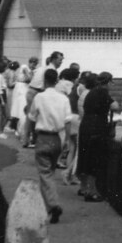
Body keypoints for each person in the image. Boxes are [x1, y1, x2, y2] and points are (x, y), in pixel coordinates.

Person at [26, 68, 75, 224]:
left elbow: (31, 118)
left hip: (42, 137)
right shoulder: (64, 99)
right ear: (56, 81)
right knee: (50, 173)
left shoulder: (39, 97)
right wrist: (66, 140)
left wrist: (27, 137)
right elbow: (68, 121)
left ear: (45, 81)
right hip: (57, 139)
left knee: (45, 174)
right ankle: (50, 207)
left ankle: (53, 206)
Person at [76, 72, 120, 202]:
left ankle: (83, 187)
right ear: (108, 82)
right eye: (111, 82)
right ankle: (91, 191)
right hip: (96, 128)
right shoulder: (102, 92)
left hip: (86, 126)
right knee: (94, 160)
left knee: (84, 157)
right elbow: (115, 106)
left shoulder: (91, 92)